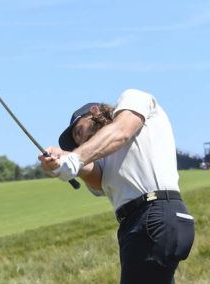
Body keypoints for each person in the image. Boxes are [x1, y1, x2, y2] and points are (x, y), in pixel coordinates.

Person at [39, 89, 195, 284]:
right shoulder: (103, 160)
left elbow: (121, 131)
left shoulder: (133, 99)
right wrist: (60, 157)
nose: (80, 140)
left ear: (94, 112)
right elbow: (95, 176)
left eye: (80, 131)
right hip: (136, 226)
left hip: (155, 214)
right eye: (76, 141)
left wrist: (75, 157)